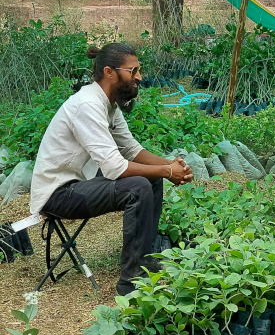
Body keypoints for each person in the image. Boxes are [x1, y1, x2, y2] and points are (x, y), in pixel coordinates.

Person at [30, 42, 193, 295]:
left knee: (149, 179)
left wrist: (170, 166)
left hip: (78, 183)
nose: (139, 76)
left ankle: (144, 259)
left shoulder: (109, 104)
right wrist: (167, 171)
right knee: (138, 184)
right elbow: (116, 168)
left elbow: (131, 149)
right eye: (133, 70)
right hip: (57, 194)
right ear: (109, 72)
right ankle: (130, 281)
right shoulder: (87, 106)